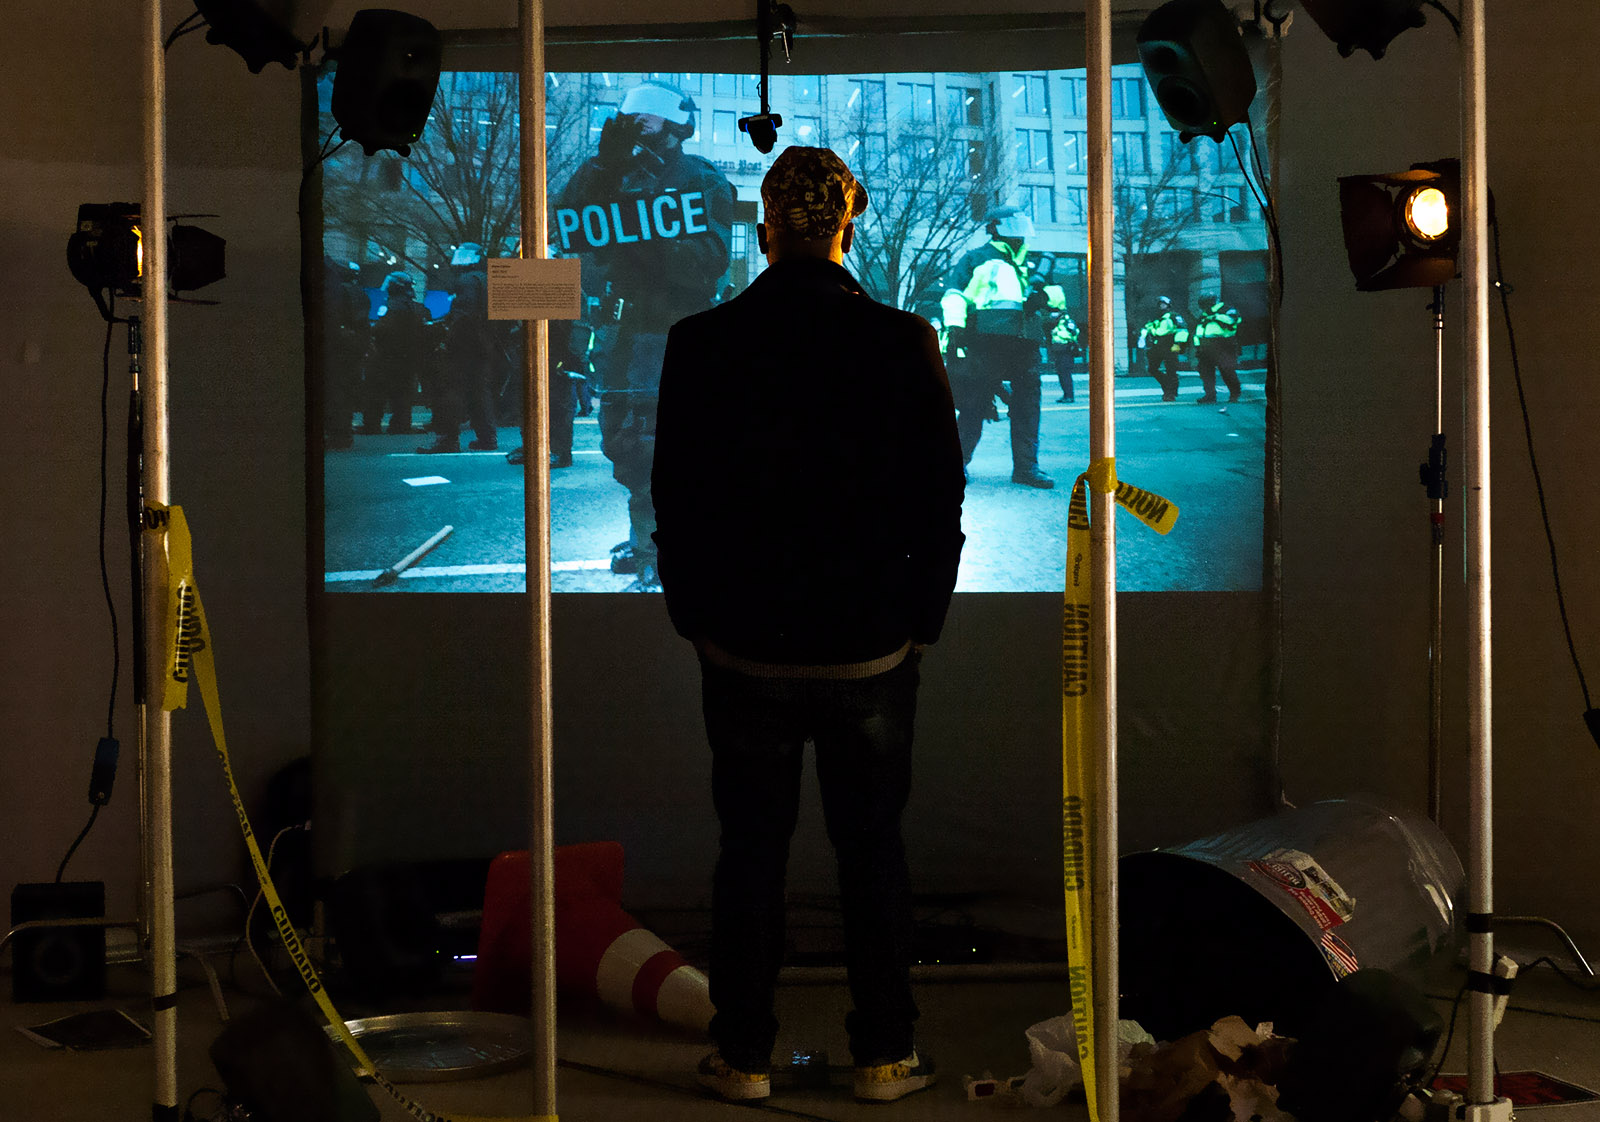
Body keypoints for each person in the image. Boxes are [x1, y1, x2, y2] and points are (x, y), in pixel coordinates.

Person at [652, 146, 964, 1106]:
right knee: (874, 850)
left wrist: (696, 620)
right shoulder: (902, 340)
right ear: (847, 226)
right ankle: (885, 1054)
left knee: (750, 851)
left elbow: (676, 494)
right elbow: (939, 495)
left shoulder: (700, 341)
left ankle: (743, 1053)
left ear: (762, 230)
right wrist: (921, 623)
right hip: (869, 646)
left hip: (744, 644)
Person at [546, 78, 734, 589]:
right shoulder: (613, 174)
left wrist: (645, 241)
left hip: (672, 326)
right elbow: (568, 221)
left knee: (659, 442)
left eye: (649, 113)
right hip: (622, 329)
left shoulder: (702, 178)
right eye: (633, 112)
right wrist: (603, 169)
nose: (638, 120)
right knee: (621, 440)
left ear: (677, 122)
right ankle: (648, 532)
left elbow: (711, 259)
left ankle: (663, 547)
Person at [940, 206, 1053, 488]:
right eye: (1013, 224)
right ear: (995, 227)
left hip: (1024, 341)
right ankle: (956, 465)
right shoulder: (976, 258)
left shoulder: (1029, 263)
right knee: (974, 405)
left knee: (1027, 406)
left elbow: (1049, 300)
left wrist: (1043, 299)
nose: (1020, 231)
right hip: (985, 340)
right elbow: (954, 294)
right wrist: (955, 329)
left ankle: (1026, 469)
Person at [418, 243, 502, 453]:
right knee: (479, 392)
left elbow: (463, 314)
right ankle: (487, 438)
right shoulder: (489, 280)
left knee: (451, 390)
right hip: (484, 344)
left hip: (463, 345)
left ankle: (447, 438)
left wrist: (447, 338)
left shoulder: (466, 281)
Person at [359, 271, 430, 435]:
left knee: (375, 392)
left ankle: (371, 425)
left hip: (385, 357)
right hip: (408, 358)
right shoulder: (417, 308)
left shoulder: (390, 306)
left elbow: (381, 329)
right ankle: (401, 424)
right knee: (402, 394)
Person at [1192, 293, 1244, 404]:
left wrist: (1216, 317)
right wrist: (1198, 346)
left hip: (1223, 344)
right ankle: (1210, 395)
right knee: (1205, 372)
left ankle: (1235, 393)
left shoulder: (1225, 308)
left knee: (1226, 370)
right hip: (1205, 346)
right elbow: (1198, 332)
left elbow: (1235, 319)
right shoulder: (1204, 315)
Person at [1135, 295, 1186, 402]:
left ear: (1168, 305)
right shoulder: (1155, 317)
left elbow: (1182, 331)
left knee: (1171, 370)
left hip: (1170, 345)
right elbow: (1146, 327)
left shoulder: (1174, 316)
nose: (1161, 306)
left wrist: (1178, 344)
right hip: (1157, 345)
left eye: (1163, 304)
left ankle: (1170, 393)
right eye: (1159, 304)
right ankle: (1168, 385)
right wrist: (1142, 337)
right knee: (1152, 369)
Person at [1040, 281, 1081, 403]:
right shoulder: (1058, 322)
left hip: (1065, 351)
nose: (1053, 315)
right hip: (1060, 351)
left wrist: (1061, 335)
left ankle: (1069, 396)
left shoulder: (1066, 321)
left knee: (1065, 375)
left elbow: (1074, 333)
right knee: (1062, 375)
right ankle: (1067, 395)